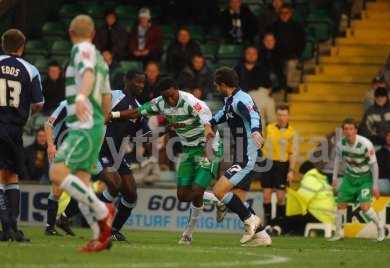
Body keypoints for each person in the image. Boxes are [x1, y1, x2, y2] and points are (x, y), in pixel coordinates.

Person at [109, 77, 224, 245]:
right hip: (188, 150)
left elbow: (210, 126)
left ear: (177, 89)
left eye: (171, 96)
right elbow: (135, 112)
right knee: (183, 196)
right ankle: (219, 201)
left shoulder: (192, 103)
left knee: (197, 190)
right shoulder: (159, 103)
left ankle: (187, 234)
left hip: (209, 147)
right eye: (165, 97)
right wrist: (113, 114)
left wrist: (207, 154)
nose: (169, 100)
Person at [49, 15, 115, 253]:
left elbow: (87, 74)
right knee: (83, 180)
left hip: (83, 125)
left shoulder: (82, 50)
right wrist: (103, 120)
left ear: (70, 33)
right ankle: (100, 237)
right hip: (96, 125)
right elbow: (107, 97)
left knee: (57, 172)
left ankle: (102, 210)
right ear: (94, 33)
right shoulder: (101, 59)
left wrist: (79, 97)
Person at [205, 67, 271, 246]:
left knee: (219, 191)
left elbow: (254, 115)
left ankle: (250, 220)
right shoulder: (230, 100)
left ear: (224, 84)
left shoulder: (241, 99)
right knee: (238, 202)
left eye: (217, 85)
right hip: (242, 155)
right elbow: (223, 114)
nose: (216, 88)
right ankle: (262, 236)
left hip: (247, 157)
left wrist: (256, 131)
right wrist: (210, 123)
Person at [0, 29, 44, 242]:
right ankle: (14, 228)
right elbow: (39, 104)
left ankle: (6, 227)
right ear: (22, 46)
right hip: (15, 130)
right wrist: (24, 112)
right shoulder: (31, 69)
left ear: (3, 44)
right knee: (11, 176)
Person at [96, 71, 151, 241]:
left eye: (143, 83)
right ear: (127, 81)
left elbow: (143, 134)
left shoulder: (139, 109)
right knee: (114, 183)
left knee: (131, 193)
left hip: (118, 155)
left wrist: (157, 138)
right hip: (99, 150)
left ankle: (113, 230)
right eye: (138, 82)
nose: (141, 86)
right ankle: (91, 218)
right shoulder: (113, 96)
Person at [329, 118, 385, 242]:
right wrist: (334, 177)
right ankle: (339, 233)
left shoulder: (366, 144)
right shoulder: (340, 144)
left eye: (351, 129)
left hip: (364, 178)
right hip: (349, 178)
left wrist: (375, 185)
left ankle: (380, 226)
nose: (349, 132)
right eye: (346, 129)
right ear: (343, 131)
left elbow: (374, 165)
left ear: (356, 130)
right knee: (340, 205)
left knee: (365, 207)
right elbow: (338, 161)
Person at [268, 160, 336, 236]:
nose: (300, 179)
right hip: (329, 217)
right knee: (298, 218)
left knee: (291, 216)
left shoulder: (310, 179)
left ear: (303, 173)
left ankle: (274, 227)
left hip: (319, 215)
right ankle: (278, 229)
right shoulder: (321, 180)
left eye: (300, 176)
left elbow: (300, 199)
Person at [44, 99, 77, 236]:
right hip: (59, 151)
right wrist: (51, 146)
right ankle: (50, 227)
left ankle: (62, 218)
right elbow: (48, 124)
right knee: (57, 190)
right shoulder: (66, 105)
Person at [261, 104, 297, 226]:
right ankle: (268, 224)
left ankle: (280, 225)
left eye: (284, 115)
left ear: (288, 116)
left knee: (281, 197)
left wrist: (291, 171)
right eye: (280, 115)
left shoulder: (292, 133)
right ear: (277, 115)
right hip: (267, 163)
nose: (282, 118)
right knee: (266, 196)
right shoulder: (269, 128)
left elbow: (292, 154)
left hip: (282, 166)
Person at [234, 45, 275, 127]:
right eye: (249, 53)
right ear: (245, 55)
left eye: (254, 53)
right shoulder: (238, 68)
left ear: (257, 55)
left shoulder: (262, 68)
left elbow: (269, 86)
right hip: (243, 96)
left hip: (260, 94)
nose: (251, 56)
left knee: (265, 107)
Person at [272, 4, 305, 90]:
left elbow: (302, 42)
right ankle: (279, 86)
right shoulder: (274, 26)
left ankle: (287, 86)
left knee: (291, 64)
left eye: (286, 13)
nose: (284, 15)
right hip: (277, 55)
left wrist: (297, 54)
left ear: (290, 14)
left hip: (292, 54)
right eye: (282, 13)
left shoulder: (297, 26)